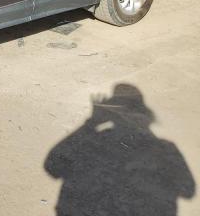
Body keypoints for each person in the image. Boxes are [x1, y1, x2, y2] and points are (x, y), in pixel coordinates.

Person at [45, 84, 195, 216]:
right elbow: (52, 165)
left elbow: (188, 189)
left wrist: (91, 124)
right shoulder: (93, 142)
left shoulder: (161, 150)